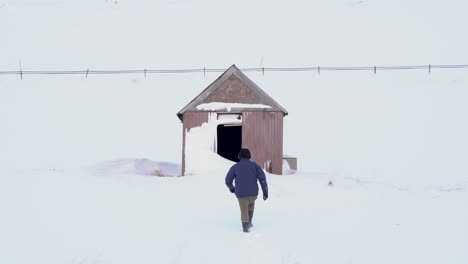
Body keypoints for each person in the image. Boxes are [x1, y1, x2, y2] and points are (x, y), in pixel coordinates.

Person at [225, 148, 268, 233]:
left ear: (239, 156)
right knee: (251, 205)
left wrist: (232, 189)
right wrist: (265, 192)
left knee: (244, 210)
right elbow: (262, 179)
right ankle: (250, 223)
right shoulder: (255, 166)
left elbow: (227, 180)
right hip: (253, 194)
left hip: (241, 194)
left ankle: (245, 229)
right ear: (249, 156)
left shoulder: (235, 167)